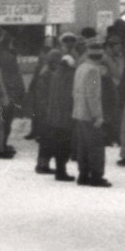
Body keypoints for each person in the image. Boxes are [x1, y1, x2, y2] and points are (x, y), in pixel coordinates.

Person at [30, 38, 77, 180]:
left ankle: (43, 164)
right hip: (48, 113)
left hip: (48, 112)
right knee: (48, 140)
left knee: (48, 141)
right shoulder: (48, 75)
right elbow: (44, 96)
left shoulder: (48, 73)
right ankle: (42, 164)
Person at [71, 46, 112, 187]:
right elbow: (93, 94)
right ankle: (96, 175)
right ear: (100, 57)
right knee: (95, 146)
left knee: (82, 145)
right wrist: (97, 115)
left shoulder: (81, 68)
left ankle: (83, 174)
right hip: (90, 114)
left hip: (79, 112)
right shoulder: (93, 72)